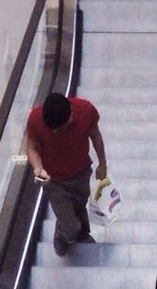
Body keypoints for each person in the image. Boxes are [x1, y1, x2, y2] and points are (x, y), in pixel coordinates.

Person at [24, 91, 109, 257]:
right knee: (70, 226)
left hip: (81, 173)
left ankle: (82, 235)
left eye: (60, 128)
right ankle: (64, 234)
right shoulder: (35, 119)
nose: (56, 132)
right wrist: (38, 168)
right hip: (54, 182)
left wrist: (102, 164)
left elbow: (96, 136)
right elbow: (31, 147)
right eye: (52, 130)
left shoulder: (86, 110)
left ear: (71, 114)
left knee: (79, 208)